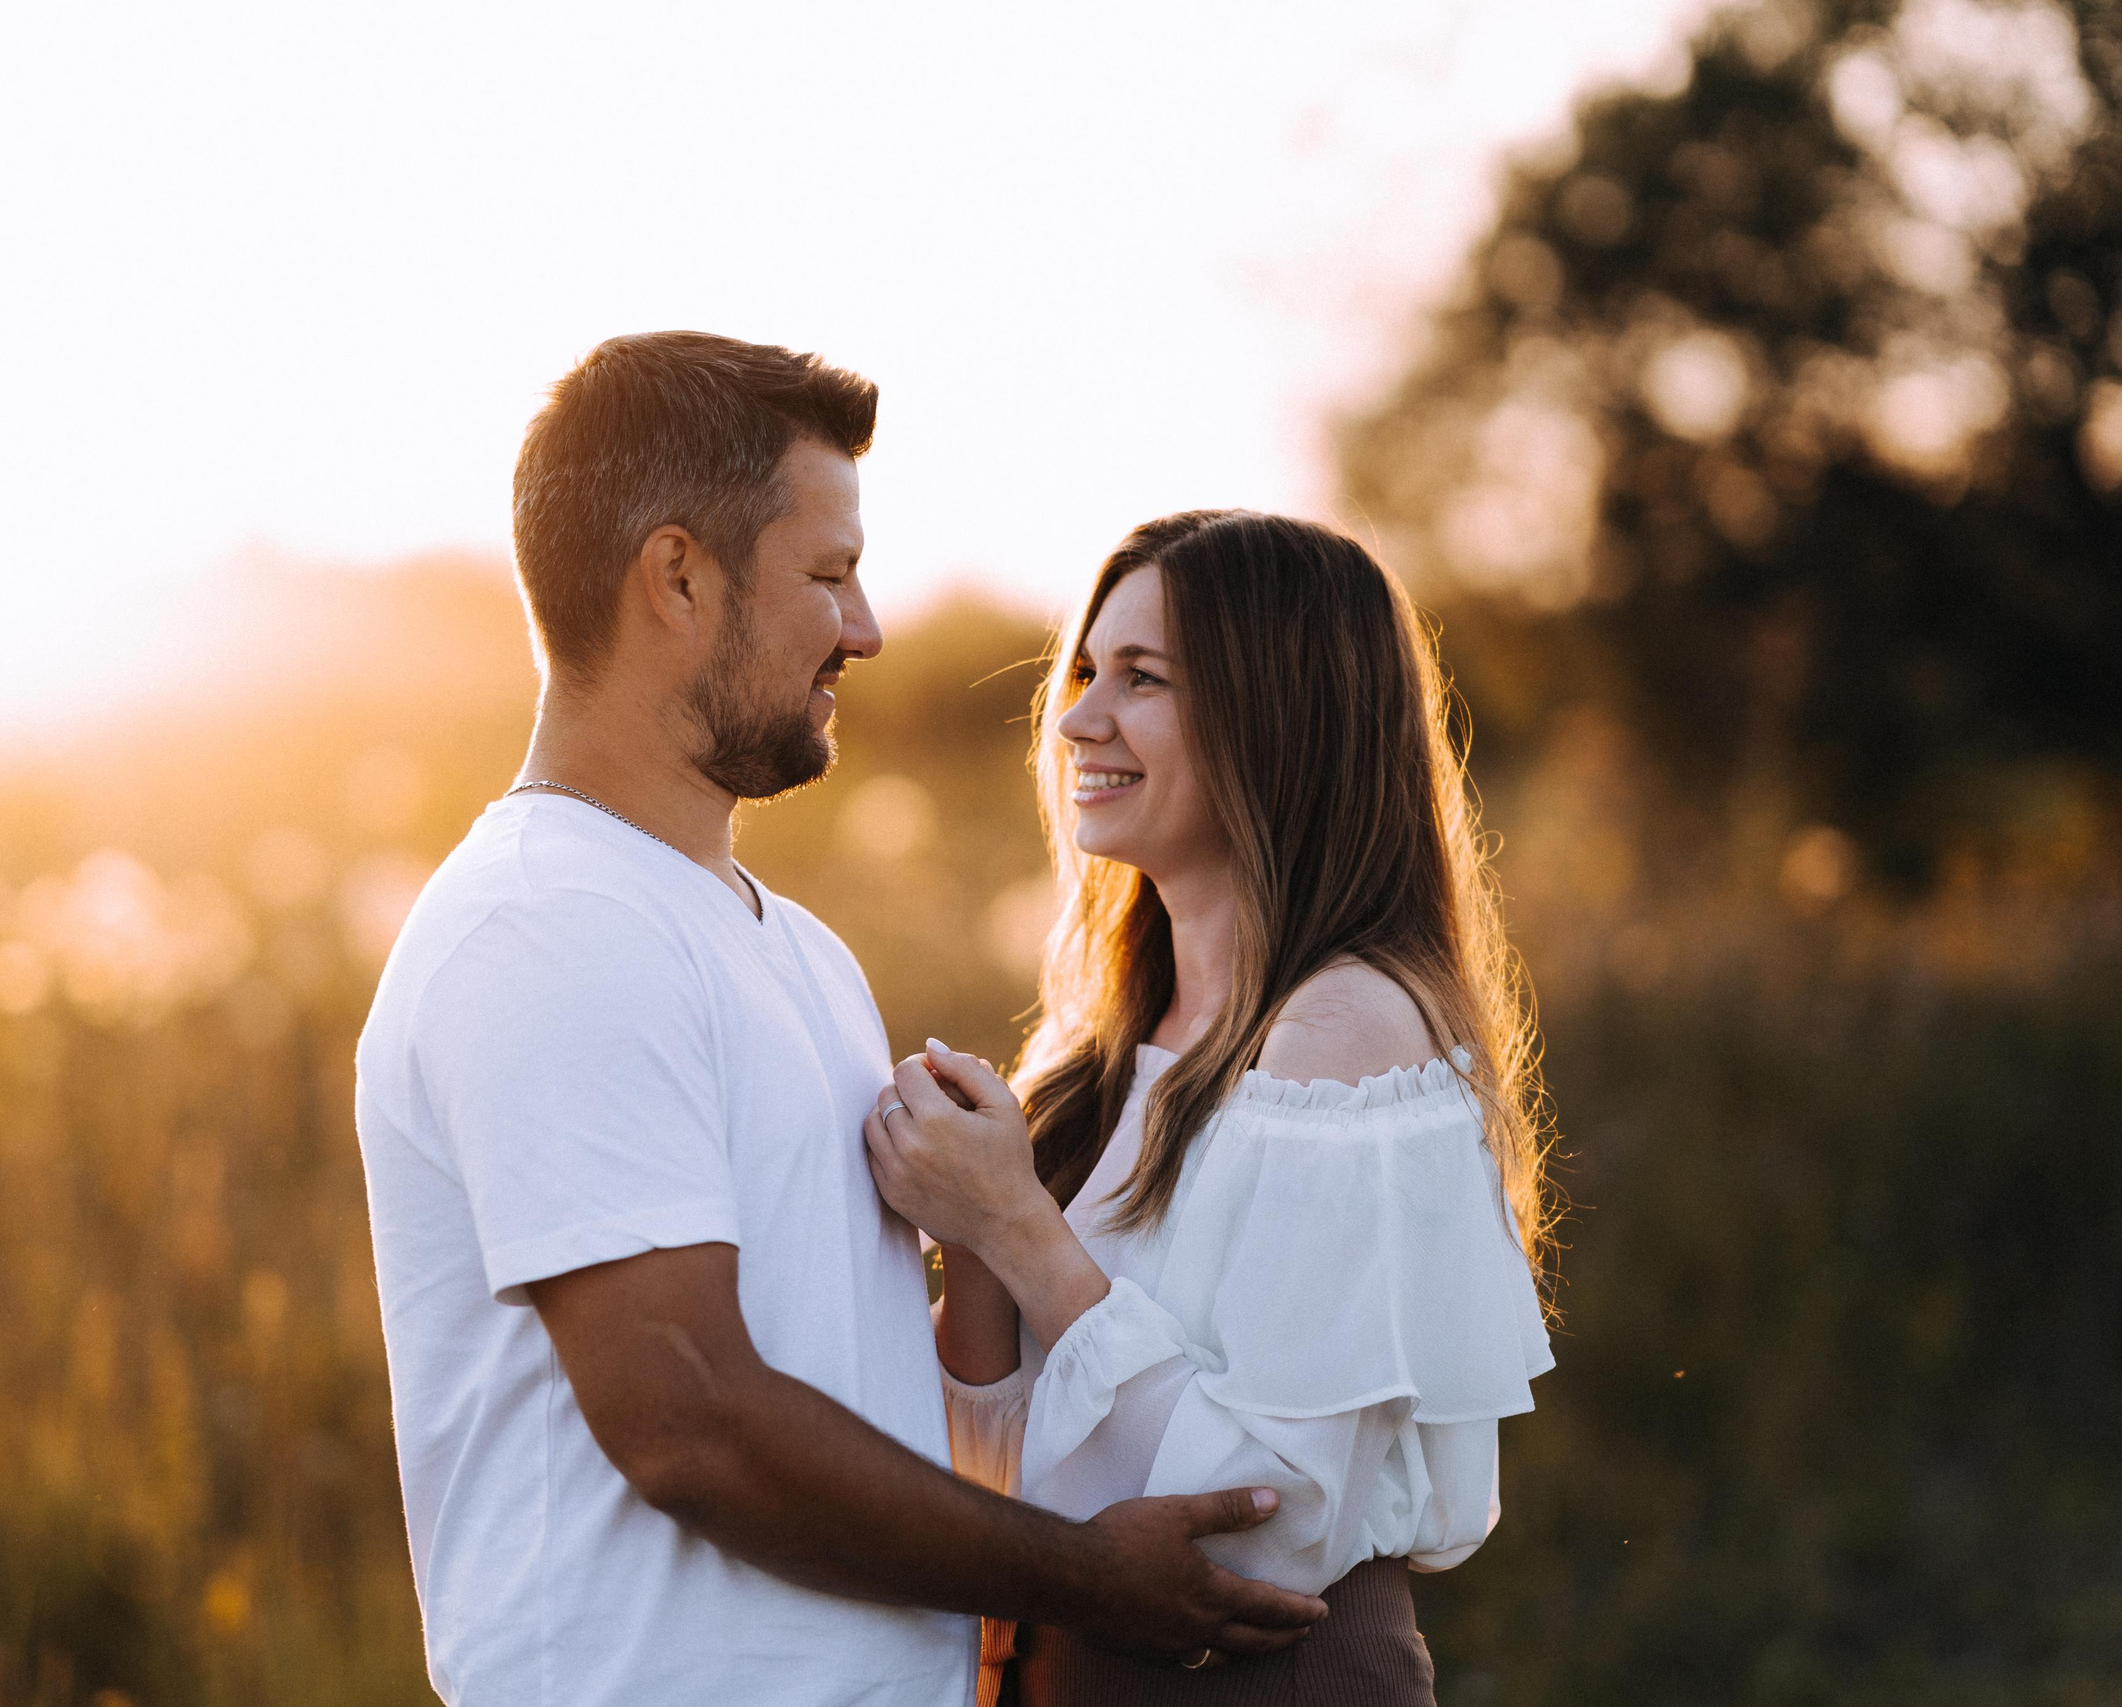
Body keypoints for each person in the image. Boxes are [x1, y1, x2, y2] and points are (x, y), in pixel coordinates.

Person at [355, 337, 1324, 1707]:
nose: (864, 627)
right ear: (678, 576)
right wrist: (1082, 1574)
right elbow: (690, 1420)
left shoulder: (792, 946)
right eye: (825, 575)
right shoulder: (550, 925)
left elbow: (843, 1379)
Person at [863, 512, 1557, 1705]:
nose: (1079, 718)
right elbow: (1003, 1479)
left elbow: (1263, 1523)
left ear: (1275, 718)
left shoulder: (1348, 1038)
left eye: (1142, 679)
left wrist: (1025, 1233)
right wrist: (977, 1229)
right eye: (1086, 670)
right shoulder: (1103, 1051)